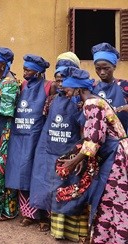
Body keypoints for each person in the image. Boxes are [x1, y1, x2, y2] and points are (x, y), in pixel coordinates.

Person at [56, 67, 128, 243]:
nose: (64, 91)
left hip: (116, 158)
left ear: (78, 89)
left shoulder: (92, 104)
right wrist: (81, 157)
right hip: (114, 154)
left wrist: (73, 163)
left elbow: (93, 140)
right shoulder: (95, 101)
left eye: (67, 88)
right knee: (110, 198)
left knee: (111, 198)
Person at [29, 56, 86, 242]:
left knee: (69, 188)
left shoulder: (80, 102)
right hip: (50, 147)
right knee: (47, 184)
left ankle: (71, 231)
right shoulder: (52, 99)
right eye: (58, 79)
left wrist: (78, 155)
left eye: (64, 80)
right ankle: (50, 222)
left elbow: (85, 131)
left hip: (71, 150)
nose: (60, 84)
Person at [6, 54, 51, 230]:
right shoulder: (22, 85)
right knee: (21, 174)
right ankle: (28, 214)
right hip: (19, 136)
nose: (24, 72)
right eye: (24, 69)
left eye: (28, 69)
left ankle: (44, 217)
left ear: (39, 72)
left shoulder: (49, 87)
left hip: (37, 137)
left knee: (39, 175)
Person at [0, 47, 21, 222]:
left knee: (3, 169)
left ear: (3, 64)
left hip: (6, 130)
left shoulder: (9, 83)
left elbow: (6, 110)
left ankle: (7, 210)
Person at [91, 43, 128, 133]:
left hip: (121, 138)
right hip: (97, 138)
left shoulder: (124, 86)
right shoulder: (92, 87)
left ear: (114, 67)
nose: (102, 72)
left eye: (106, 68)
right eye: (98, 68)